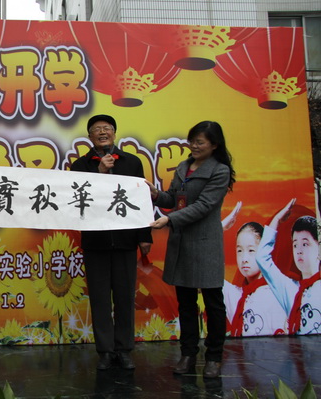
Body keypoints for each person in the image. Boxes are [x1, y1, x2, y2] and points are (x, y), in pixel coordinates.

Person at [145, 120, 235, 379]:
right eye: (192, 141)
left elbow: (204, 205)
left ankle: (214, 356)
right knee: (185, 303)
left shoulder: (219, 171)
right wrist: (156, 194)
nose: (194, 146)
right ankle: (188, 354)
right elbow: (174, 199)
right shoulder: (184, 167)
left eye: (200, 142)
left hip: (205, 244)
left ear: (214, 145)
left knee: (213, 303)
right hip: (181, 243)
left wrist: (169, 219)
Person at [70, 114, 153, 371]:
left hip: (126, 240)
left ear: (115, 133)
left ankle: (124, 349)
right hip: (95, 241)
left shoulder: (132, 162)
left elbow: (141, 200)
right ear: (89, 136)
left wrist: (144, 236)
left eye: (107, 128)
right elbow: (78, 201)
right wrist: (99, 173)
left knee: (125, 297)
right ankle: (105, 351)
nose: (102, 132)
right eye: (97, 129)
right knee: (99, 299)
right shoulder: (80, 166)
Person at [255, 198, 320, 335]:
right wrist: (277, 221)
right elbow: (262, 258)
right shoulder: (291, 290)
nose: (299, 250)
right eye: (295, 245)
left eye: (305, 244)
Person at [223, 222, 288, 336]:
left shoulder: (276, 295)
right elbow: (203, 266)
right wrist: (220, 229)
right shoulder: (235, 295)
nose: (244, 259)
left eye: (251, 250)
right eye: (239, 251)